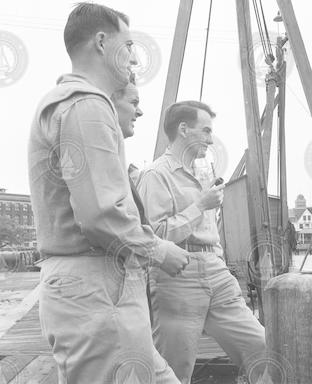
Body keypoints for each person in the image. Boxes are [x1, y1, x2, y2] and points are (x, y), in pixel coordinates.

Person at [28, 3, 189, 383]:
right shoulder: (87, 105)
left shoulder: (73, 103)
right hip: (97, 291)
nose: (134, 57)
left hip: (98, 294)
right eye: (128, 44)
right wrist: (158, 250)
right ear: (102, 42)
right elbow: (100, 214)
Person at [137, 100, 268, 383]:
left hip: (216, 271)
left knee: (262, 347)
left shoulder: (201, 172)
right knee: (174, 369)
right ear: (183, 129)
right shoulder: (155, 175)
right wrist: (200, 205)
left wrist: (218, 258)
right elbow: (153, 236)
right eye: (206, 131)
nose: (211, 139)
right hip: (178, 274)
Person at [111, 73, 181, 383]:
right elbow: (101, 219)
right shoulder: (150, 173)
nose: (139, 111)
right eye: (134, 102)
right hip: (110, 296)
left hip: (128, 293)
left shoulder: (115, 157)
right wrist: (160, 250)